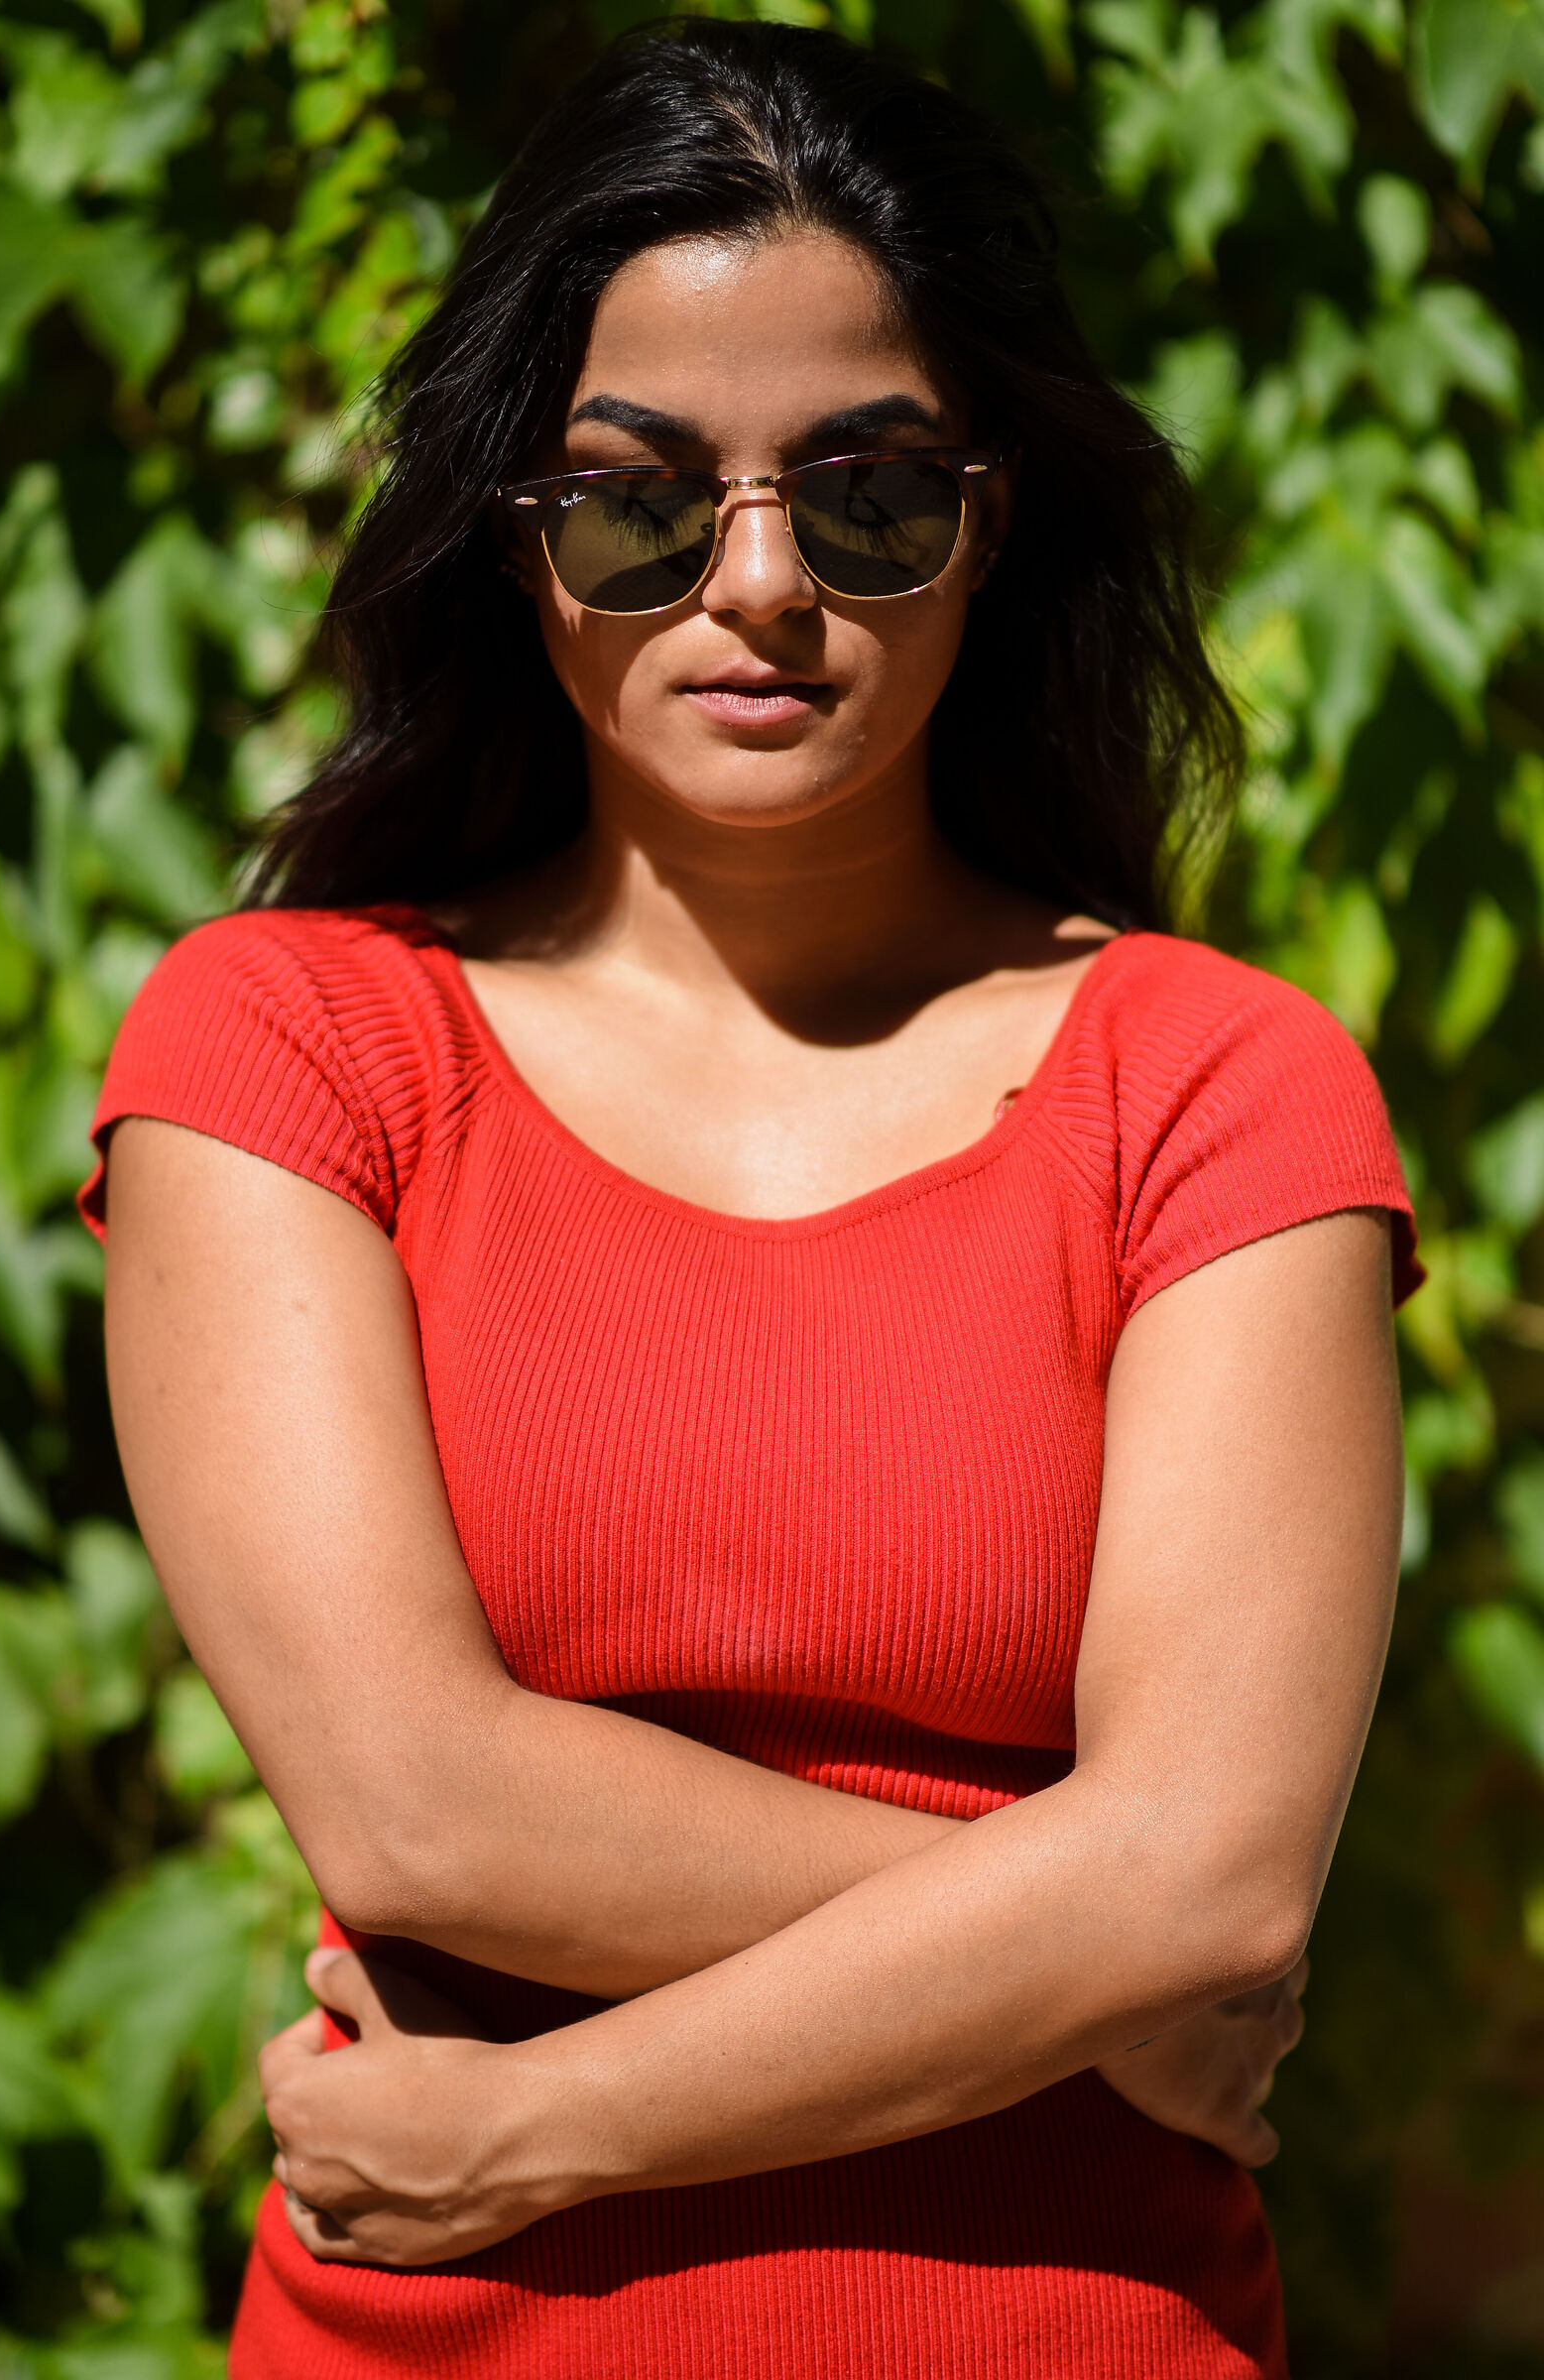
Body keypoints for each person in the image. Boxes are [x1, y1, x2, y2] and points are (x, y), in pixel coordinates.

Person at [81, 20, 1419, 2377]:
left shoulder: (1215, 1087)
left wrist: (543, 2127)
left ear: (989, 523)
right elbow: (419, 1812)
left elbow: (1209, 1878)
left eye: (870, 492)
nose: (765, 582)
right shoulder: (291, 1050)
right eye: (639, 500)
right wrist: (1095, 1966)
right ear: (513, 539)